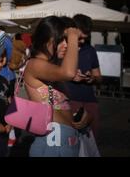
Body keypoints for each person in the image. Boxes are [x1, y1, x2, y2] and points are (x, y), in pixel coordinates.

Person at [24, 16, 90, 157]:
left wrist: (79, 118)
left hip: (65, 142)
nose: (66, 45)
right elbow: (68, 72)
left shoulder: (51, 69)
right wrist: (73, 36)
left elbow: (58, 108)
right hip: (52, 144)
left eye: (67, 40)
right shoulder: (34, 64)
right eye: (62, 40)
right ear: (48, 39)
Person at [65, 14, 102, 138]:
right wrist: (70, 75)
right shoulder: (62, 49)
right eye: (79, 38)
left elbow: (99, 77)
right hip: (69, 101)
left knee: (91, 143)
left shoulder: (90, 50)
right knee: (71, 142)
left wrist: (92, 78)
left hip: (90, 102)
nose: (82, 41)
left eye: (85, 38)